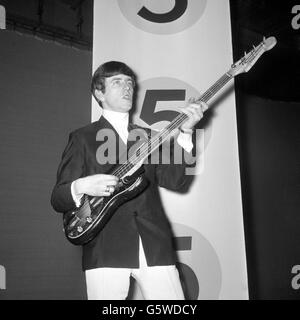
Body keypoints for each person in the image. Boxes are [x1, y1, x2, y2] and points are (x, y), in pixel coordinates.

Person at [51, 61, 207, 300]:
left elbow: (176, 181)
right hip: (105, 247)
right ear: (99, 93)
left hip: (154, 245)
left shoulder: (150, 137)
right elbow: (58, 198)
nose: (126, 88)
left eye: (129, 83)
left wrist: (186, 133)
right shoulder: (82, 138)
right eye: (117, 82)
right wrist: (82, 185)